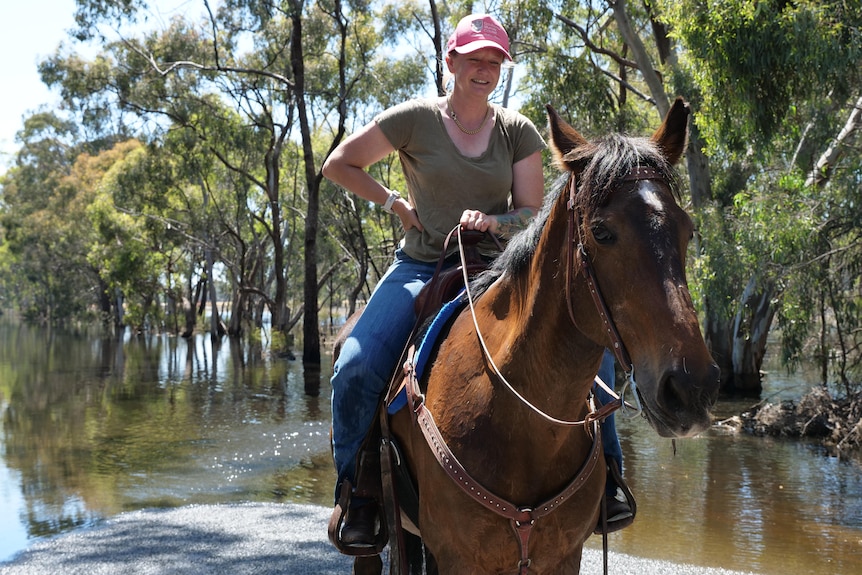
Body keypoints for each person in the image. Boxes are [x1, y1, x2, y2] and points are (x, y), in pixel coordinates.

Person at [322, 13, 630, 548]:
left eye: (495, 61)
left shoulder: (517, 130)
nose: (485, 69)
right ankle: (359, 493)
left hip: (503, 268)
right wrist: (395, 202)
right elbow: (339, 164)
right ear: (452, 62)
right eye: (475, 59)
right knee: (355, 366)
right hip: (425, 266)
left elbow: (533, 211)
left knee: (594, 353)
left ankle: (610, 480)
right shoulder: (414, 119)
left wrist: (495, 222)